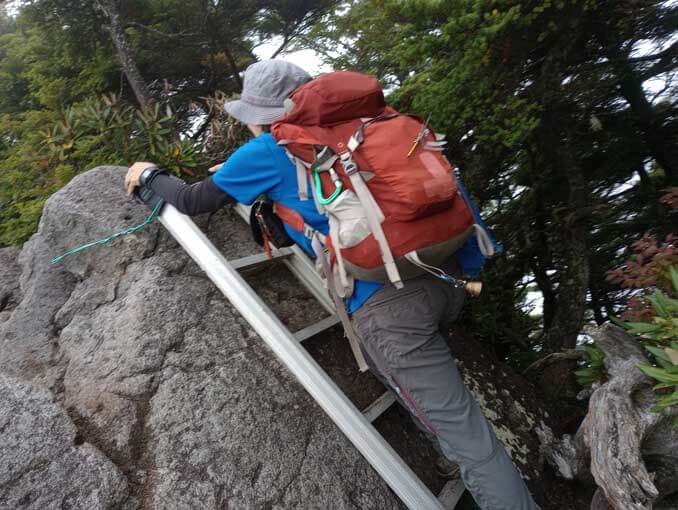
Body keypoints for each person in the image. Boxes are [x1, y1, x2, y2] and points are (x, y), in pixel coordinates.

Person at [124, 59, 539, 510]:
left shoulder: (269, 152)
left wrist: (147, 175)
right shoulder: (381, 125)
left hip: (388, 308)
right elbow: (454, 193)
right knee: (399, 377)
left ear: (262, 114)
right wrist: (471, 270)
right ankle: (447, 453)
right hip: (447, 279)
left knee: (470, 437)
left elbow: (192, 199)